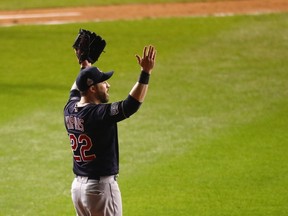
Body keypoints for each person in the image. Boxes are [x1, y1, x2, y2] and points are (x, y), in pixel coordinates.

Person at [63, 44, 157, 216]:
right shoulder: (98, 114)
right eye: (103, 82)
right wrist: (146, 72)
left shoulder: (69, 109)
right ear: (92, 88)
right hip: (100, 190)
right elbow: (131, 105)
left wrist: (85, 64)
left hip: (78, 189)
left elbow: (77, 87)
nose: (108, 85)